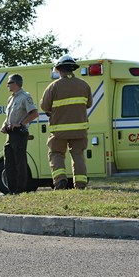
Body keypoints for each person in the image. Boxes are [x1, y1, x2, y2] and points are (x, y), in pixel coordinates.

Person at [40, 55, 93, 190]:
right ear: (72, 69)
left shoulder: (53, 86)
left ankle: (60, 181)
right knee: (78, 156)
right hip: (80, 130)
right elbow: (88, 104)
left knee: (56, 154)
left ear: (58, 70)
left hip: (59, 131)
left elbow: (44, 106)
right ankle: (81, 184)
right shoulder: (84, 85)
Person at [0, 74, 38, 194]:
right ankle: (12, 190)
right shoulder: (11, 99)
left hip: (19, 133)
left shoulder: (24, 97)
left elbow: (34, 113)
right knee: (8, 162)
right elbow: (8, 117)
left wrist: (21, 124)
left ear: (15, 83)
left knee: (19, 162)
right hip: (10, 134)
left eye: (9, 83)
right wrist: (4, 125)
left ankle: (20, 190)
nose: (8, 85)